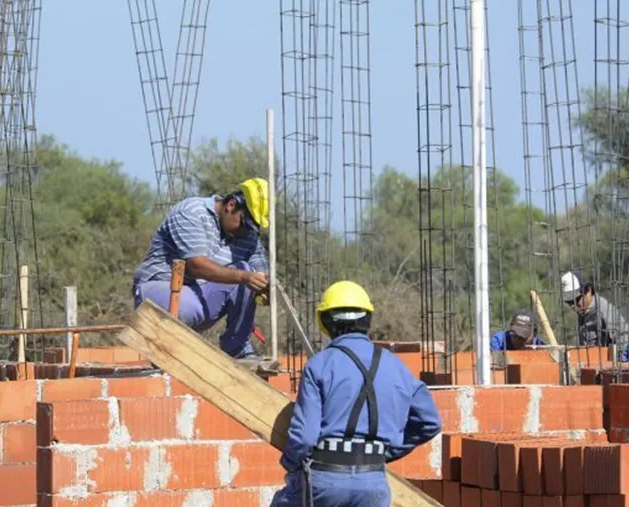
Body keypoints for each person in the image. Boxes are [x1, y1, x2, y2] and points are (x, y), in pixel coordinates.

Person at [271, 280, 442, 507]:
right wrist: (385, 453)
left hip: (324, 480)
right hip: (373, 482)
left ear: (325, 321)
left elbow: (305, 436)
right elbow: (430, 422)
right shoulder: (397, 367)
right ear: (367, 320)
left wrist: (291, 462)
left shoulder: (319, 365)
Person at [132, 178, 270, 359]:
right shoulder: (191, 212)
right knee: (244, 275)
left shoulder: (248, 237)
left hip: (198, 301)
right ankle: (175, 349)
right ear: (231, 205)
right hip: (160, 289)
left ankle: (237, 349)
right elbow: (197, 266)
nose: (246, 231)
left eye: (253, 228)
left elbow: (261, 277)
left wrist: (264, 290)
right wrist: (246, 277)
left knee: (248, 273)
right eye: (245, 223)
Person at [560, 270, 629, 346]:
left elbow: (628, 338)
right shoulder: (583, 311)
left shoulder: (603, 311)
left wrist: (615, 356)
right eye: (569, 302)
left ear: (589, 290)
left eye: (576, 299)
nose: (574, 305)